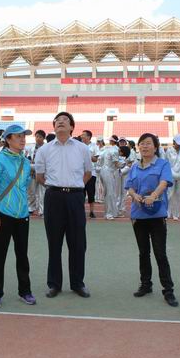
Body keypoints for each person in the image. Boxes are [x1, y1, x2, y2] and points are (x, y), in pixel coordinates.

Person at [35, 112, 93, 298]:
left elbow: (88, 173)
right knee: (54, 242)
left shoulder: (82, 148)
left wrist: (74, 187)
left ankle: (77, 283)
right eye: (57, 121)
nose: (60, 122)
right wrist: (56, 187)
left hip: (75, 197)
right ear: (53, 126)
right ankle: (54, 284)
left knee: (78, 243)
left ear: (72, 127)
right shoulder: (44, 150)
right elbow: (39, 176)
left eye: (65, 120)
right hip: (53, 198)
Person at [125, 133, 178, 306]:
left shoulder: (163, 164)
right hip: (138, 215)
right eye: (142, 143)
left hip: (156, 215)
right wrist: (134, 195)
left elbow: (164, 183)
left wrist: (153, 196)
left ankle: (168, 290)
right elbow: (129, 187)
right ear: (138, 147)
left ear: (155, 147)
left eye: (148, 143)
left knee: (160, 253)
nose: (145, 146)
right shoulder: (135, 166)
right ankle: (146, 284)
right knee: (143, 253)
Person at [0, 124, 35, 308]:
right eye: (18, 136)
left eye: (23, 136)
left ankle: (25, 291)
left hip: (22, 214)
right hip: (2, 214)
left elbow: (25, 185)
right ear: (7, 139)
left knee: (22, 255)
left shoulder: (25, 162)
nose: (22, 139)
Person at [165, 134, 180, 221]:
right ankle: (167, 213)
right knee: (170, 194)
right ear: (174, 142)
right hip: (171, 174)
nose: (179, 145)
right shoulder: (169, 151)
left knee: (178, 194)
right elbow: (166, 162)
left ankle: (176, 214)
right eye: (177, 143)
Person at [99, 136, 120, 220]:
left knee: (108, 192)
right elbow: (116, 164)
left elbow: (100, 160)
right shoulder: (115, 151)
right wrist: (124, 164)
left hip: (103, 171)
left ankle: (110, 212)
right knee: (110, 193)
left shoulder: (107, 149)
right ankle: (109, 213)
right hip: (108, 172)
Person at [81, 130, 98, 219]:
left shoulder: (94, 146)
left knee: (91, 193)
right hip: (80, 173)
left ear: (89, 137)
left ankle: (91, 211)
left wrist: (88, 156)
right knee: (81, 193)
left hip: (91, 173)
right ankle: (81, 210)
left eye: (84, 135)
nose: (82, 136)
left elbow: (96, 159)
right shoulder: (79, 146)